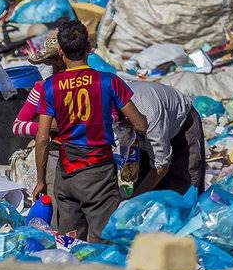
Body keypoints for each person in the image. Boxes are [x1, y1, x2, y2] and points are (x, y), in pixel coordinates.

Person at [33, 20, 148, 242]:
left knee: (70, 240)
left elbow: (42, 139)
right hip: (99, 174)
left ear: (60, 51)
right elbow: (141, 124)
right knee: (102, 242)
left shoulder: (50, 86)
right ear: (89, 49)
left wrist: (40, 180)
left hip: (66, 173)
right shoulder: (109, 81)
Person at [13, 30, 65, 225]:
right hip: (55, 156)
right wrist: (47, 127)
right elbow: (18, 126)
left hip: (90, 157)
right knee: (57, 215)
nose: (58, 67)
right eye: (54, 63)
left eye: (61, 62)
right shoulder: (42, 88)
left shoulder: (91, 84)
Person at [126, 80, 205, 196]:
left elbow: (161, 166)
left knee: (186, 185)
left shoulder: (150, 116)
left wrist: (135, 198)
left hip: (181, 125)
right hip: (146, 130)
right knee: (143, 178)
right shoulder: (105, 108)